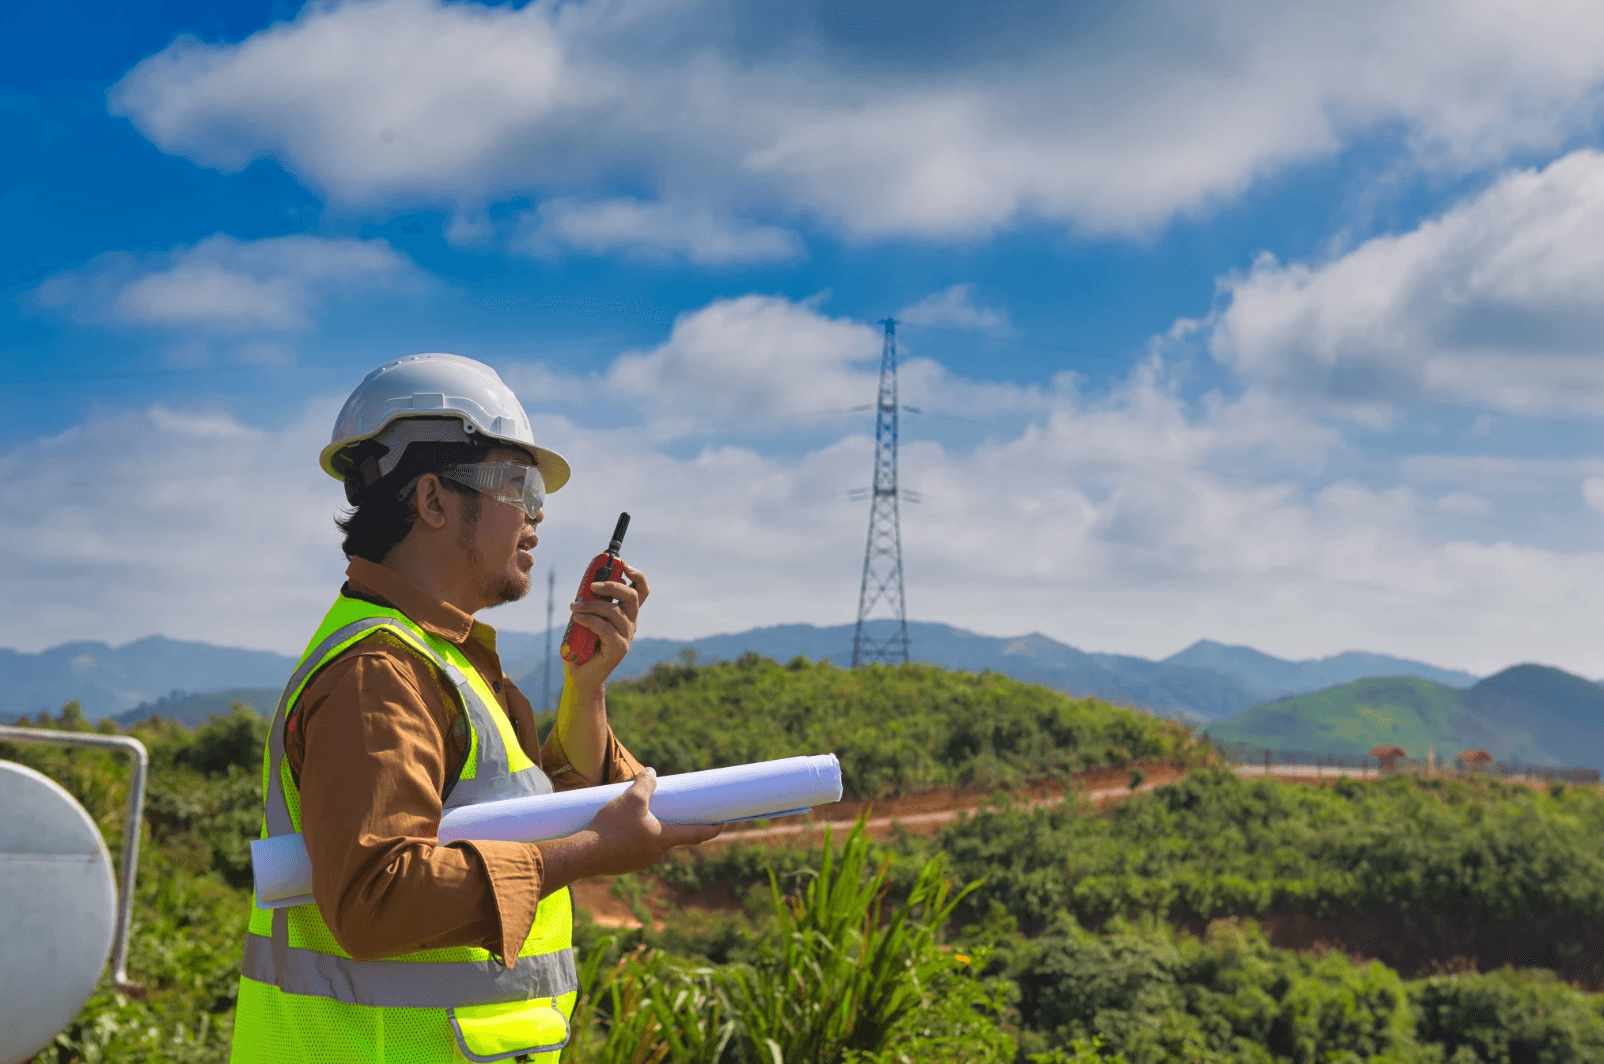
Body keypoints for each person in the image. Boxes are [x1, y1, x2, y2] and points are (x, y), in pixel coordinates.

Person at [230, 353, 721, 1063]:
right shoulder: (380, 672)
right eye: (518, 484)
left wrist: (585, 690)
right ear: (432, 500)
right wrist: (590, 854)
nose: (537, 512)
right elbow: (376, 900)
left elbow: (541, 806)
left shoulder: (449, 657)